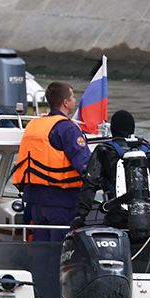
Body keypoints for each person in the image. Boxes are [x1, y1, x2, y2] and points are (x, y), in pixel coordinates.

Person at [73, 110, 150, 236]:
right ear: (132, 129)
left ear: (113, 130)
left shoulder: (105, 151)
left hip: (117, 219)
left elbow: (90, 184)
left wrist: (81, 216)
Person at [11, 80, 91, 242]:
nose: (75, 101)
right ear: (65, 102)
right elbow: (85, 165)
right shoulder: (68, 128)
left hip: (35, 202)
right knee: (59, 250)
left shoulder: (33, 125)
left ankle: (39, 269)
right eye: (73, 97)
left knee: (41, 249)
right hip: (61, 201)